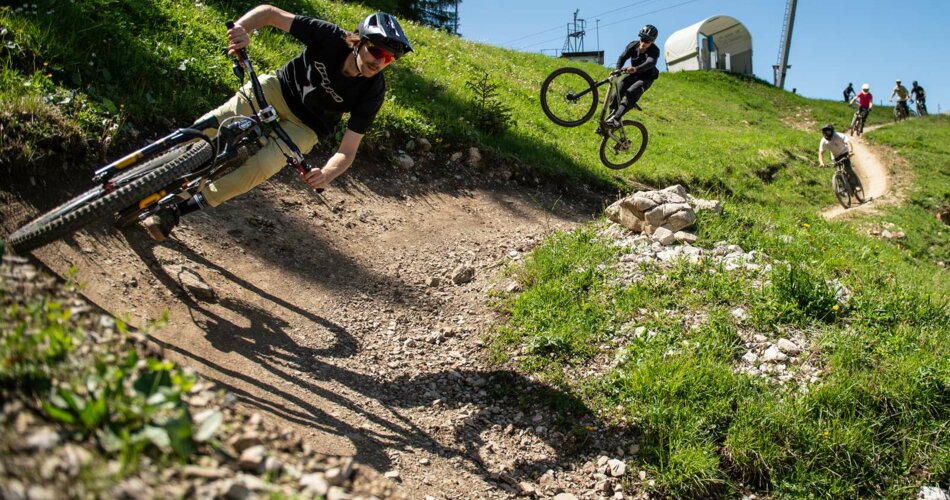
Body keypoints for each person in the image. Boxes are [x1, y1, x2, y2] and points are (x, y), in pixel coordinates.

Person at [143, 5, 412, 240]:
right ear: (359, 42)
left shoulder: (373, 91)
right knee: (218, 119)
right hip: (277, 89)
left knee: (262, 166)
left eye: (388, 58)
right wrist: (242, 29)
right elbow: (271, 13)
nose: (379, 61)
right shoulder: (330, 37)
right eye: (376, 50)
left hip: (307, 126)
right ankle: (155, 163)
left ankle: (175, 212)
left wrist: (327, 174)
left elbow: (347, 150)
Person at [605, 24, 660, 127]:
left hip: (646, 77)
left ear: (652, 42)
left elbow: (650, 62)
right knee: (617, 91)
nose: (643, 44)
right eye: (642, 39)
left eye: (647, 42)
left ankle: (616, 118)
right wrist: (617, 69)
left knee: (632, 92)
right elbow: (622, 57)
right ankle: (609, 120)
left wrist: (636, 69)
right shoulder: (633, 45)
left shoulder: (654, 51)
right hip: (633, 74)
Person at [818, 123, 859, 189]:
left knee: (848, 169)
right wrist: (821, 163)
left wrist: (850, 151)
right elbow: (821, 152)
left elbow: (848, 142)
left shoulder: (838, 135)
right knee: (837, 172)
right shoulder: (823, 141)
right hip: (835, 156)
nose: (826, 132)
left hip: (844, 153)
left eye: (828, 131)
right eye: (825, 131)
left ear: (832, 131)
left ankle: (856, 185)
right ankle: (843, 187)